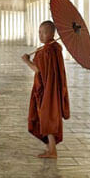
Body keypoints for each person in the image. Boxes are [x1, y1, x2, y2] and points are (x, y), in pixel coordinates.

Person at [22, 21, 70, 158]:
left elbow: (38, 70)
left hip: (47, 88)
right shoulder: (55, 48)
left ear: (52, 33)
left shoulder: (47, 51)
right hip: (53, 86)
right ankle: (50, 148)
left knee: (46, 116)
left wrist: (27, 61)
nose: (41, 35)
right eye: (39, 32)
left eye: (44, 32)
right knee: (49, 115)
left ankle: (52, 151)